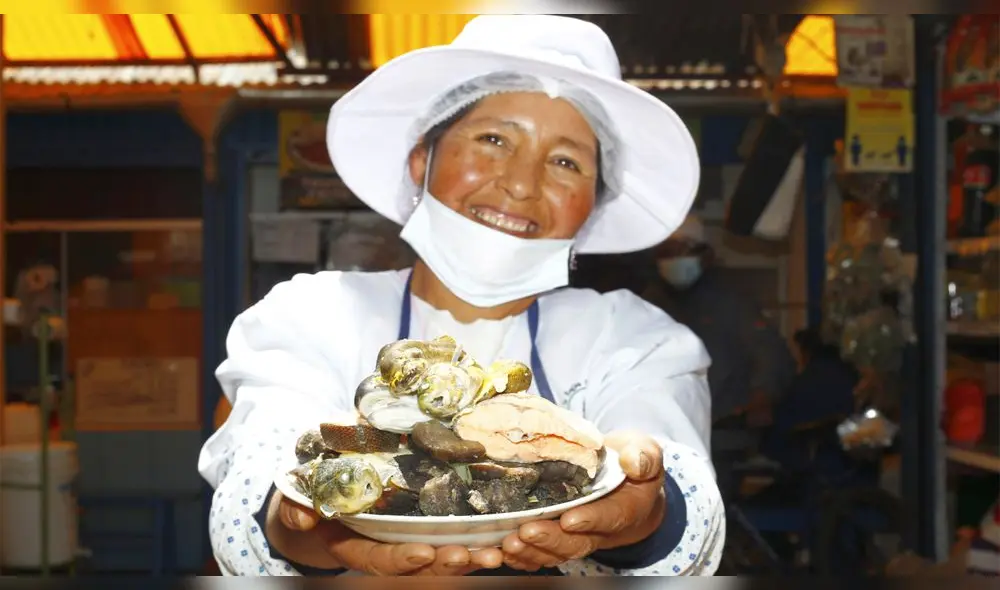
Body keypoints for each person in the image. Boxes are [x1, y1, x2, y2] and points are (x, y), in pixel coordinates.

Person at [198, 15, 723, 577]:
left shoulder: (635, 338)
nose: (522, 183)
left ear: (593, 203)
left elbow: (683, 494)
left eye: (566, 161)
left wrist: (641, 509)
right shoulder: (310, 315)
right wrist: (311, 529)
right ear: (422, 160)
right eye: (493, 139)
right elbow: (258, 478)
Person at [643, 215, 796, 427]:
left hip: (726, 428)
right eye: (666, 253)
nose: (673, 260)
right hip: (666, 429)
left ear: (705, 256)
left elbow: (769, 353)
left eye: (681, 251)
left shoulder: (732, 302)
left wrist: (762, 396)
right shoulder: (649, 306)